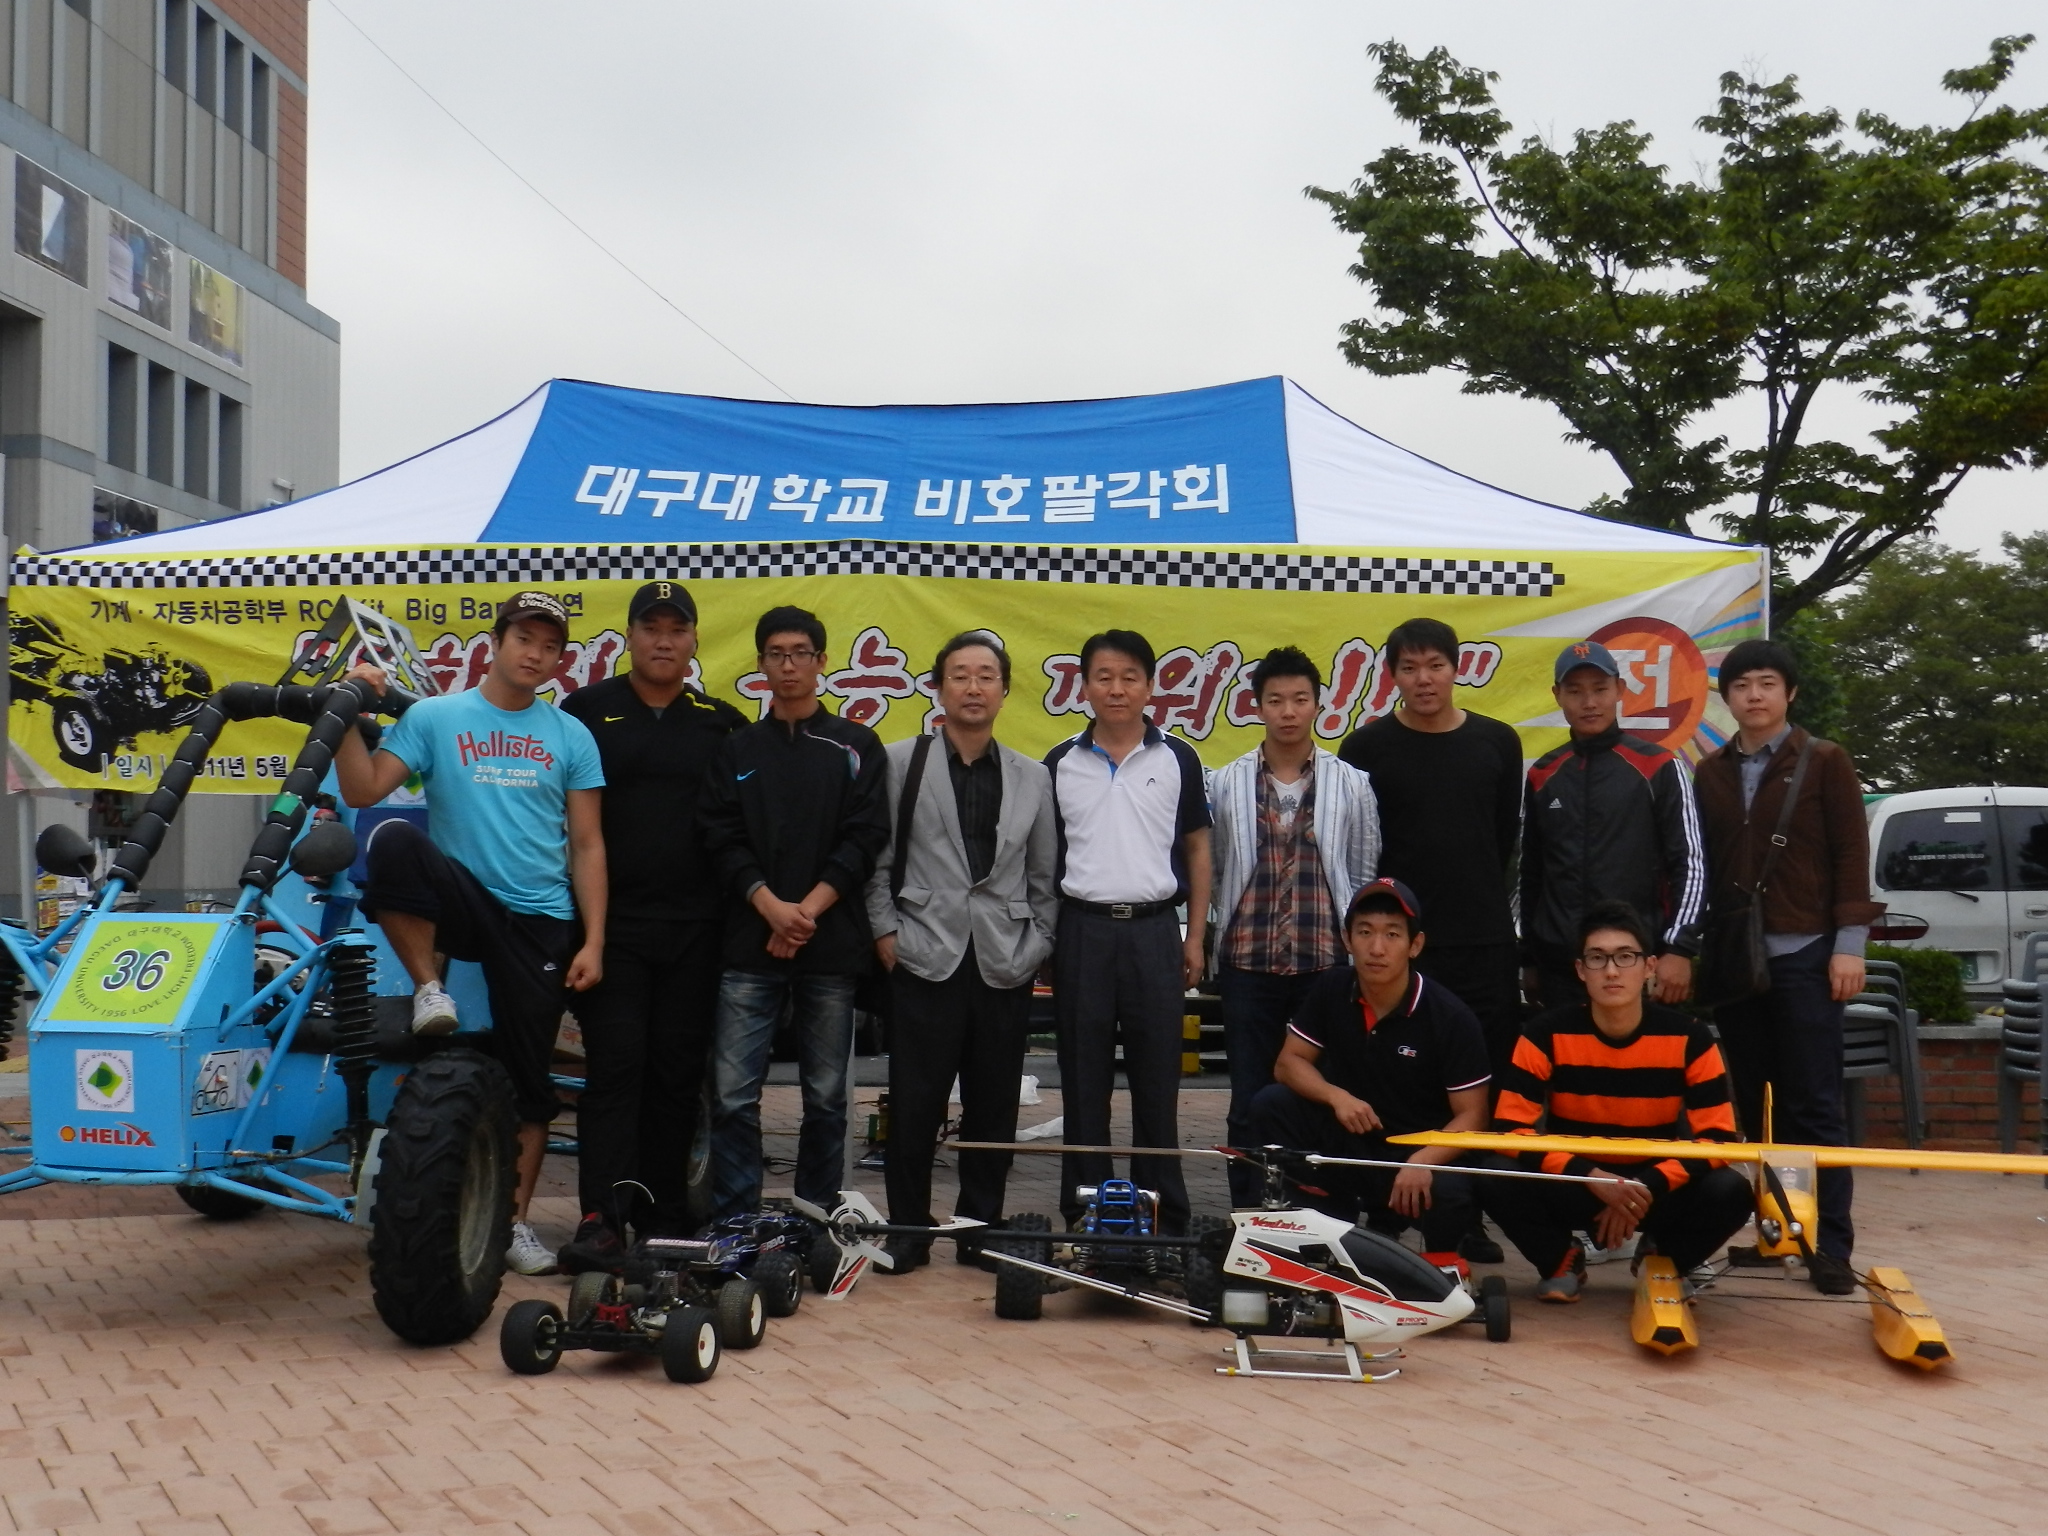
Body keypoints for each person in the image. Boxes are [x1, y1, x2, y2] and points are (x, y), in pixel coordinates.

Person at [335, 591, 606, 1277]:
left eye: (549, 646)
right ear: (496, 641)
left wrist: (594, 941)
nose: (535, 654)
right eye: (524, 639)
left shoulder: (570, 735)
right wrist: (338, 714)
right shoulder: (436, 717)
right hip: (465, 900)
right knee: (393, 841)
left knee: (529, 1079)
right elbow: (364, 791)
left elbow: (587, 843)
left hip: (541, 918)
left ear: (559, 659)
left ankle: (511, 1223)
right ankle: (430, 988)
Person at [555, 581, 746, 1272]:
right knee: (615, 1071)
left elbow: (739, 828)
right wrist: (588, 933)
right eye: (651, 628)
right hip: (613, 929)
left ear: (694, 641)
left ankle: (667, 1218)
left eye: (677, 629)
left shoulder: (722, 723)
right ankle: (603, 1220)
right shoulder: (584, 713)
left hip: (697, 929)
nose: (664, 641)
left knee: (676, 1075)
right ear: (629, 637)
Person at [863, 631, 1059, 1272]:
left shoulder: (1033, 776)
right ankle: (908, 1230)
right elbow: (877, 860)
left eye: (986, 676)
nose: (973, 687)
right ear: (939, 688)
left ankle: (980, 1228)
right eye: (960, 675)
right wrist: (886, 934)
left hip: (1004, 959)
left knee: (994, 1105)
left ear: (1004, 690)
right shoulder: (900, 762)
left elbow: (1044, 876)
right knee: (914, 1103)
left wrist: (1038, 943)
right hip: (923, 952)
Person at [1694, 638, 1882, 1295]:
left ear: (1789, 692)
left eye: (1767, 683)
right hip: (1737, 959)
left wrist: (1849, 944)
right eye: (1742, 685)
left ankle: (1830, 1246)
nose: (1754, 695)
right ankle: (1780, 1231)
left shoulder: (1825, 760)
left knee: (1814, 1103)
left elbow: (1850, 852)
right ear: (1727, 696)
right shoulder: (1710, 772)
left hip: (1807, 953)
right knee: (1758, 1106)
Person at [1340, 616, 1525, 1262]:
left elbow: (1502, 838)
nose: (1424, 679)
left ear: (1457, 668)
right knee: (1393, 1077)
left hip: (1482, 943)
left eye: (1435, 665)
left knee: (1476, 1081)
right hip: (1398, 947)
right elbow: (1363, 844)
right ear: (1392, 676)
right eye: (1410, 668)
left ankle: (1464, 1215)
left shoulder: (1497, 742)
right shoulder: (1366, 748)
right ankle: (1384, 1209)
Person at [699, 606, 890, 1222]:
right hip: (748, 945)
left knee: (827, 1099)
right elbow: (721, 837)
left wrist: (803, 913)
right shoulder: (737, 748)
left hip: (829, 947)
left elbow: (865, 838)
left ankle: (817, 1220)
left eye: (800, 653)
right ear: (760, 664)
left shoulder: (856, 746)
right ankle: (736, 1219)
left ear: (821, 662)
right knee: (732, 1096)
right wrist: (769, 906)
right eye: (776, 654)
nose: (789, 665)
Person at [1487, 901, 1752, 1302]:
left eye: (1625, 957)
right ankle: (1560, 1260)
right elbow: (1509, 1129)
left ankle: (1663, 1256)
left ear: (1649, 967)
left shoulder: (1691, 1037)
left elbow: (1718, 1139)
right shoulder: (1544, 1034)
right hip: (1577, 1180)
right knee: (1492, 1170)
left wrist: (1640, 1188)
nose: (1611, 971)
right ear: (1581, 970)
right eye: (1598, 958)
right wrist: (1593, 1178)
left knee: (1730, 1190)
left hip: (1655, 1185)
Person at [1043, 629, 1211, 1236]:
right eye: (1104, 677)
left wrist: (1195, 937)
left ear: (1150, 686)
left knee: (1157, 1079)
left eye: (1129, 677)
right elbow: (1044, 857)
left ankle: (1164, 1213)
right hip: (1082, 931)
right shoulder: (1059, 763)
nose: (1117, 689)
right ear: (1084, 687)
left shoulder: (1178, 759)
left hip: (1154, 932)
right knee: (1083, 1081)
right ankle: (1085, 1209)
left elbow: (1198, 846)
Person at [1209, 646, 1380, 1206]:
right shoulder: (1226, 783)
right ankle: (1248, 1213)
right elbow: (1215, 868)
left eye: (1299, 699)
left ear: (1317, 705)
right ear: (1257, 707)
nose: (1288, 711)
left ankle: (1318, 1211)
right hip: (1248, 962)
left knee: (1322, 1091)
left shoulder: (1351, 783)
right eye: (1276, 700)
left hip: (1324, 965)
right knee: (1248, 1095)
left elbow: (1362, 872)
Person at [1248, 878, 1490, 1267]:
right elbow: (1288, 1063)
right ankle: (1319, 1234)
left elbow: (1473, 1115)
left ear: (1415, 944)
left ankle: (1443, 1266)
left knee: (1451, 1186)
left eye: (1392, 934)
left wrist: (1423, 1160)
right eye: (1365, 932)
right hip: (1349, 1140)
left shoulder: (1450, 1016)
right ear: (1347, 939)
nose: (1377, 948)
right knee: (1272, 1104)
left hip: (1414, 1152)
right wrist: (1336, 1097)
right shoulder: (1332, 988)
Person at [1521, 640, 1706, 1011]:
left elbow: (1690, 863)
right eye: (1575, 691)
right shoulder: (1543, 774)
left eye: (1600, 689)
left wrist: (1679, 948)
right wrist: (1530, 957)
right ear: (1557, 696)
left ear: (1620, 690)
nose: (1589, 702)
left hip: (1636, 963)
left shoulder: (1659, 766)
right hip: (1561, 968)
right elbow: (1532, 874)